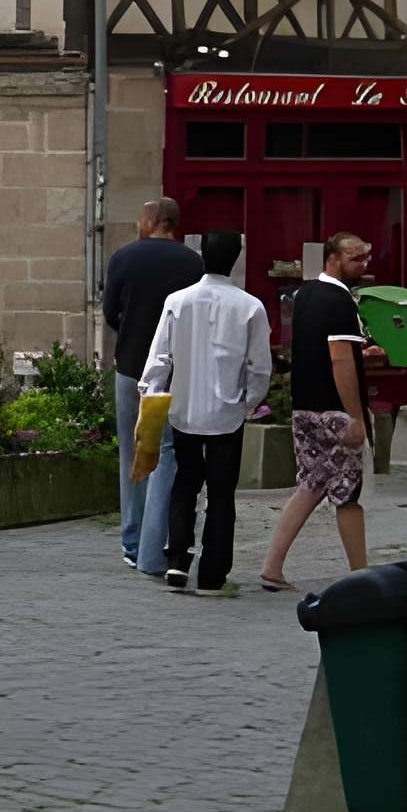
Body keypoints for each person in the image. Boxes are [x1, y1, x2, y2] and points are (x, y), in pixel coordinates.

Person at [138, 229, 272, 596]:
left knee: (185, 482)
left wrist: (152, 392)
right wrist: (248, 403)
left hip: (184, 406)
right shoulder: (249, 306)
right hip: (227, 411)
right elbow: (259, 366)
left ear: (201, 256)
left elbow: (160, 355)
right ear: (236, 258)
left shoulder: (177, 301)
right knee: (221, 493)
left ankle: (178, 559)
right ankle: (213, 573)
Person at [259, 233, 374, 591]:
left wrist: (362, 353)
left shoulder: (305, 294)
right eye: (355, 258)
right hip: (333, 410)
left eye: (365, 257)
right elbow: (340, 358)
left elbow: (318, 348)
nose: (363, 264)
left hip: (304, 407)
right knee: (348, 494)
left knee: (310, 486)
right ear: (333, 259)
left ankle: (272, 567)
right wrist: (355, 416)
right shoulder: (340, 300)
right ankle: (362, 578)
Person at [103, 196, 203, 573]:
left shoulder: (124, 258)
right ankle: (155, 542)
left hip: (132, 365)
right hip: (177, 370)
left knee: (133, 452)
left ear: (151, 220)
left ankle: (132, 541)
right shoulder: (193, 263)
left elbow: (111, 311)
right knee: (167, 455)